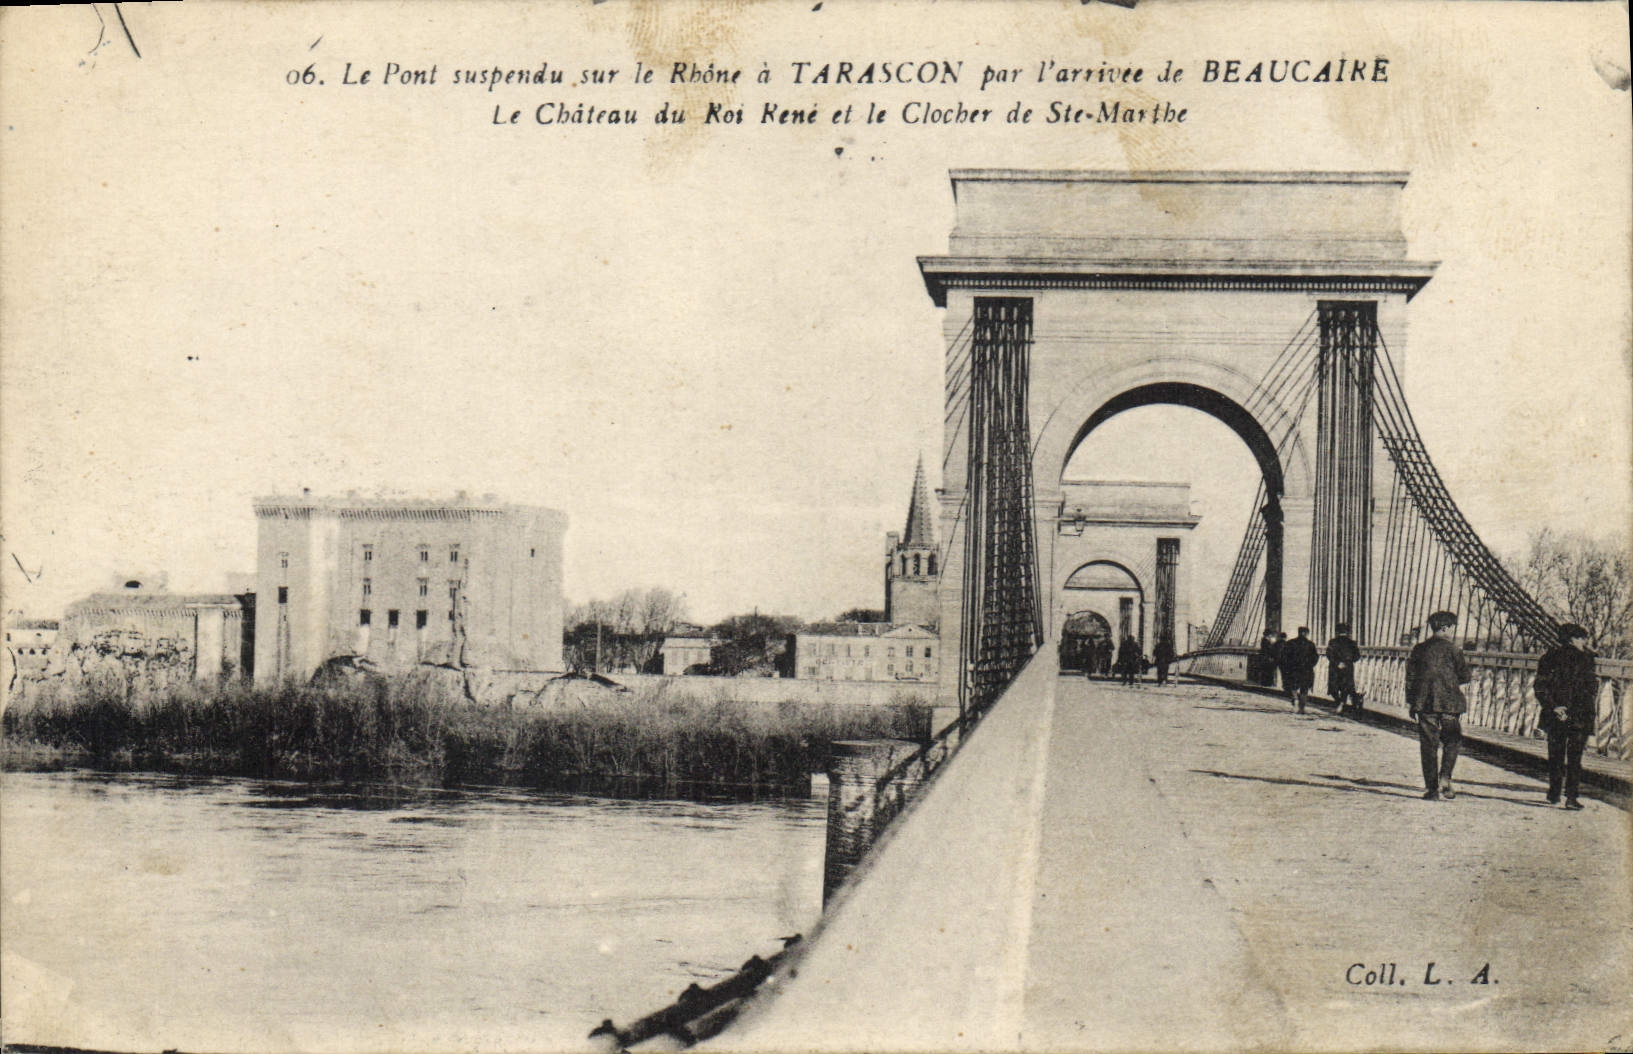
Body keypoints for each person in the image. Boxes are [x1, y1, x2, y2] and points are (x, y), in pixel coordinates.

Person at [1405, 611, 1471, 801]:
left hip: (1424, 703)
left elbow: (1410, 678)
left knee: (1428, 745)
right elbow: (1465, 676)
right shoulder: (1454, 650)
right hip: (1450, 703)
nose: (1453, 631)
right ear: (1445, 628)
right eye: (1452, 627)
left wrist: (1412, 702)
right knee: (1452, 741)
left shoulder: (1419, 649)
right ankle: (1445, 777)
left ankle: (1432, 790)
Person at [1533, 623, 1596, 810]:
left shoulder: (1548, 657)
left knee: (1555, 753)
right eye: (1582, 638)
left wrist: (1554, 707)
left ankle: (1554, 793)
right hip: (1579, 713)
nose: (1584, 642)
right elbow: (1590, 688)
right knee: (1575, 756)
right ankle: (1571, 797)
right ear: (1572, 639)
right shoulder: (1587, 659)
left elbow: (1540, 687)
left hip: (1555, 713)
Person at [1279, 626, 1319, 714]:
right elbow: (1315, 657)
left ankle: (1295, 700)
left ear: (1299, 632)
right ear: (1307, 634)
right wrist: (1310, 665)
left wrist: (1287, 667)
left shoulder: (1290, 643)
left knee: (1293, 687)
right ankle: (1302, 707)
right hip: (1306, 670)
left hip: (1293, 669)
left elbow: (1284, 657)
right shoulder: (1310, 644)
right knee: (1304, 688)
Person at [1326, 622, 1363, 715]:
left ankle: (1340, 704)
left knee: (1333, 687)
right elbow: (1357, 656)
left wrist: (1338, 663)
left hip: (1335, 667)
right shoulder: (1352, 643)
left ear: (1337, 631)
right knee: (1345, 687)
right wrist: (1348, 662)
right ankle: (1342, 704)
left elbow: (1329, 654)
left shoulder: (1332, 642)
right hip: (1348, 667)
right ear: (1347, 632)